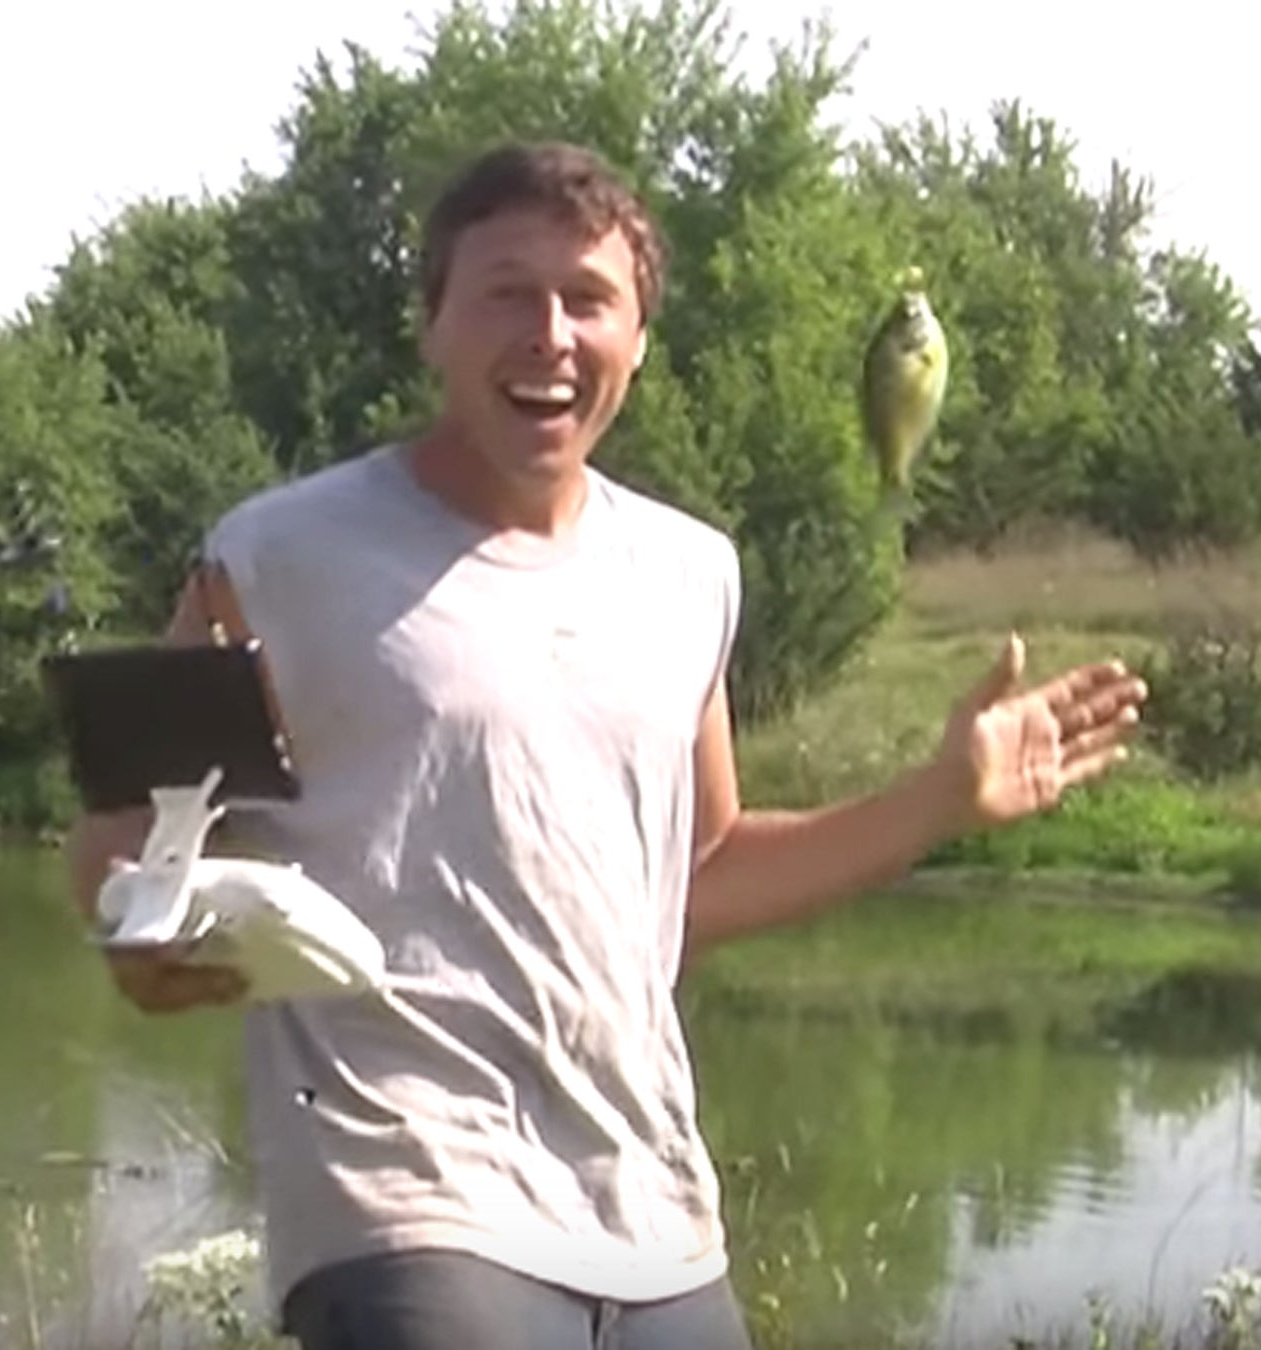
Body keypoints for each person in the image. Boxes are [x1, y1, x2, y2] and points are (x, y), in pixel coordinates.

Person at [64, 139, 1149, 1350]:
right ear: (432, 327)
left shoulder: (692, 573)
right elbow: (121, 843)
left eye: (589, 300)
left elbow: (693, 881)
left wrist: (942, 796)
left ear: (636, 339)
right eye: (505, 294)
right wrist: (145, 937)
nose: (550, 333)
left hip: (653, 1215)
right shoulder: (273, 556)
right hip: (405, 1200)